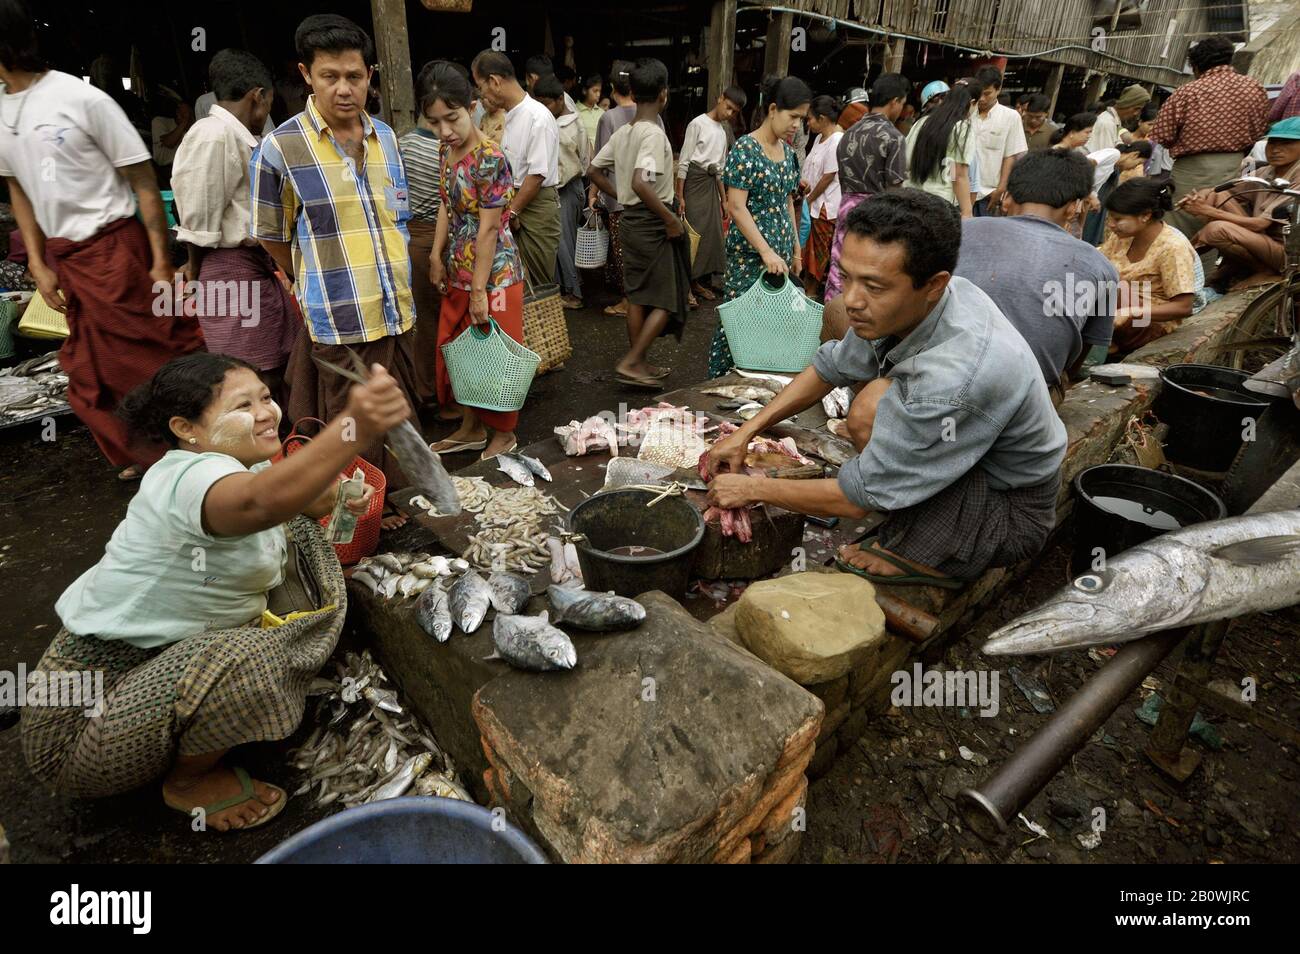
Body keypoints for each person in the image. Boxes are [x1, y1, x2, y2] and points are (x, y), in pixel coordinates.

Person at [22, 352, 400, 830]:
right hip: (75, 734)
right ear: (187, 428)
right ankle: (188, 784)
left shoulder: (243, 464)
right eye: (243, 405)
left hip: (154, 665)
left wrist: (340, 495)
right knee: (257, 656)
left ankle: (200, 714)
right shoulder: (186, 477)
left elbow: (297, 496)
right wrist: (354, 428)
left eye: (266, 397)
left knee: (301, 535)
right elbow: (260, 502)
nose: (266, 412)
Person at [702, 190, 1065, 585]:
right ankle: (905, 501)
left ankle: (936, 558)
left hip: (1008, 511)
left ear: (933, 284)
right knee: (873, 403)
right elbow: (829, 367)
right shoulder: (916, 303)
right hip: (975, 464)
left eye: (873, 286)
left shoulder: (956, 377)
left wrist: (753, 489)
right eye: (846, 276)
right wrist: (746, 431)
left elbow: (855, 502)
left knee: (873, 418)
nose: (851, 300)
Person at [0, 0, 204, 481]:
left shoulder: (79, 98)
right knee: (91, 374)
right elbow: (19, 189)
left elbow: (143, 182)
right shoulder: (1, 111)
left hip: (118, 250)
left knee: (160, 354)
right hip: (68, 257)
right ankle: (147, 452)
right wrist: (37, 260)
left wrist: (158, 261)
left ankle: (198, 445)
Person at [250, 14, 419, 523]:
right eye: (330, 77)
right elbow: (271, 234)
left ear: (370, 74)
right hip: (340, 313)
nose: (344, 89)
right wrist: (310, 281)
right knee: (350, 422)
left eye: (354, 76)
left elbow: (397, 214)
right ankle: (358, 519)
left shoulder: (386, 137)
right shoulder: (281, 148)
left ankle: (393, 499)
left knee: (397, 411)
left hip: (395, 308)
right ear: (306, 74)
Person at [171, 49, 298, 406]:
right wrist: (195, 271)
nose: (268, 114)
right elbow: (198, 221)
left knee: (275, 361)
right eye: (270, 103)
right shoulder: (213, 135)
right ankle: (259, 452)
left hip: (252, 266)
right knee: (252, 371)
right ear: (258, 96)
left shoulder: (234, 135)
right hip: (227, 267)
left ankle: (279, 447)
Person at [955, 149, 1118, 404]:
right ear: (1074, 207)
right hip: (1026, 401)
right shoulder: (1103, 267)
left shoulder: (957, 232)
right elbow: (1077, 359)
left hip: (940, 379)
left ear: (1006, 198)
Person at [422, 62, 526, 460]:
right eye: (434, 122)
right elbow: (446, 206)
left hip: (495, 273)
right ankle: (469, 427)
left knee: (496, 354)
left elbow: (488, 228)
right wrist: (435, 254)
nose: (445, 130)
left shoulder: (490, 157)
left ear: (471, 106)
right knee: (460, 352)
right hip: (458, 268)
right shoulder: (445, 151)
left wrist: (480, 289)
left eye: (452, 118)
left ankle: (504, 433)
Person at [588, 57, 689, 389]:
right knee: (667, 298)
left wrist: (619, 195)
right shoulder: (653, 135)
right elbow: (641, 183)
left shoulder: (623, 133)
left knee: (637, 297)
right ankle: (633, 362)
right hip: (651, 223)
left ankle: (639, 362)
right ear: (663, 94)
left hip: (629, 219)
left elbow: (593, 171)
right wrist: (670, 219)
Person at [709, 76, 810, 378]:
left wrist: (795, 249)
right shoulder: (745, 149)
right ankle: (717, 388)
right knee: (739, 325)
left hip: (778, 257)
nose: (797, 126)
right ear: (773, 109)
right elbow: (735, 207)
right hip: (750, 257)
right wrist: (765, 251)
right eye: (793, 117)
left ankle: (758, 396)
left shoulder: (789, 154)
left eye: (802, 120)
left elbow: (788, 202)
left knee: (772, 326)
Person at [1151, 36, 1271, 238]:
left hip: (1192, 169)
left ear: (1197, 66)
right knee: (1218, 226)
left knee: (1179, 226)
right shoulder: (1255, 88)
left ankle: (1180, 267)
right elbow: (1260, 130)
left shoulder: (1188, 91)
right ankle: (1205, 269)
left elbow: (1163, 135)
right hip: (1234, 168)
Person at [472, 50, 561, 293]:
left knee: (539, 287)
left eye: (481, 86)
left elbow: (537, 175)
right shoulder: (511, 115)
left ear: (495, 81)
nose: (482, 94)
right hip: (517, 201)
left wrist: (511, 211)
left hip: (534, 204)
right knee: (516, 283)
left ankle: (543, 331)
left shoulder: (537, 116)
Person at [1182, 117, 1300, 284]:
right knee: (1216, 196)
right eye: (1272, 143)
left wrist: (1206, 211)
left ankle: (1264, 271)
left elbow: (1260, 224)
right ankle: (1227, 265)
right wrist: (1202, 195)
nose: (1275, 150)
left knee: (1215, 230)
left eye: (1286, 143)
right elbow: (1223, 189)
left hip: (1289, 252)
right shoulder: (1267, 170)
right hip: (1265, 240)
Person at [825, 73, 910, 304]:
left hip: (846, 209)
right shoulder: (894, 137)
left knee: (840, 266)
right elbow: (895, 188)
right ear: (895, 101)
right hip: (878, 214)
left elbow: (843, 180)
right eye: (902, 104)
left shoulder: (847, 134)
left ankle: (833, 320)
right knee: (869, 274)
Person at [591, 60, 665, 318]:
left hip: (620, 202)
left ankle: (629, 302)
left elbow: (595, 167)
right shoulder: (654, 120)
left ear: (615, 88)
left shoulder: (609, 119)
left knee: (625, 259)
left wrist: (610, 194)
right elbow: (652, 172)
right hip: (652, 203)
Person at [402, 61, 453, 410]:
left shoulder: (399, 144)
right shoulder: (446, 149)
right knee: (440, 321)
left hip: (411, 237)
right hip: (434, 239)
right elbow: (447, 204)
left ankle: (426, 390)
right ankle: (438, 394)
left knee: (425, 319)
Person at [1099, 178, 1197, 354]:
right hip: (1117, 313)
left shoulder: (1173, 247)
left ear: (1145, 215)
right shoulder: (1121, 237)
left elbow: (1184, 307)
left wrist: (1131, 312)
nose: (1111, 224)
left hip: (1149, 324)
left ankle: (1104, 345)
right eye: (1110, 218)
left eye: (1118, 219)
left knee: (1110, 282)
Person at [676, 85, 746, 301]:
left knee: (709, 236)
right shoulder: (697, 124)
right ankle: (685, 287)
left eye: (734, 112)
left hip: (711, 185)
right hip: (694, 183)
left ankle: (696, 282)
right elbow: (684, 161)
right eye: (728, 107)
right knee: (692, 235)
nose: (730, 114)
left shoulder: (723, 132)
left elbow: (720, 170)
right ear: (720, 98)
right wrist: (680, 196)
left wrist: (724, 200)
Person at [535, 73, 590, 310]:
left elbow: (582, 161)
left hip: (567, 188)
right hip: (568, 188)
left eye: (547, 103)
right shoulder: (568, 122)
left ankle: (574, 293)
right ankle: (567, 286)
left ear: (560, 100)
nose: (543, 108)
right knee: (565, 242)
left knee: (563, 243)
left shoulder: (565, 126)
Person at [904, 80, 976, 217]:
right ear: (972, 103)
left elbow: (905, 160)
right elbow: (958, 175)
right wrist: (967, 211)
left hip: (909, 201)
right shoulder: (961, 128)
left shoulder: (920, 123)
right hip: (938, 206)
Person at [800, 95, 844, 302]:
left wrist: (809, 199)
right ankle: (807, 288)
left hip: (825, 205)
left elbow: (828, 177)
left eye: (810, 119)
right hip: (812, 202)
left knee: (818, 253)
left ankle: (811, 292)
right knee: (809, 250)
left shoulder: (836, 141)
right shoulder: (819, 138)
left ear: (823, 118)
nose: (807, 123)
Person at [969, 67, 1027, 215]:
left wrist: (1001, 188)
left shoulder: (1010, 117)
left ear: (998, 89)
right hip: (962, 191)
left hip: (989, 193)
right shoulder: (967, 113)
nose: (982, 98)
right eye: (979, 93)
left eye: (987, 93)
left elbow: (1010, 155)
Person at [1084, 84, 1148, 153]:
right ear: (1129, 106)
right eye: (1137, 109)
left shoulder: (1115, 123)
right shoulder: (1107, 123)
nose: (1136, 114)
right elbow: (1103, 159)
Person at [575, 73, 604, 147]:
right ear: (585, 91)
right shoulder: (575, 111)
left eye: (599, 91)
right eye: (595, 91)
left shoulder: (602, 113)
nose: (598, 94)